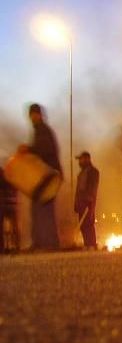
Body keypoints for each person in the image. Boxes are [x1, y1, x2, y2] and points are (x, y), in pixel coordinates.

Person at [24, 103, 62, 250]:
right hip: (45, 176)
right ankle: (41, 242)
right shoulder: (39, 130)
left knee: (43, 210)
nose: (32, 117)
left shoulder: (42, 130)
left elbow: (44, 150)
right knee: (39, 209)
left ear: (39, 115)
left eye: (34, 114)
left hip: (49, 176)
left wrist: (28, 149)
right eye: (31, 114)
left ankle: (48, 243)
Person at [74, 151, 99, 249]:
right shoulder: (81, 173)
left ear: (87, 159)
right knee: (83, 224)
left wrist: (90, 200)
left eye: (81, 159)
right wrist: (76, 203)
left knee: (88, 223)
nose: (79, 162)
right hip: (81, 202)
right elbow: (78, 189)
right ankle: (87, 244)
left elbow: (93, 187)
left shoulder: (93, 172)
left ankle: (92, 244)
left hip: (88, 202)